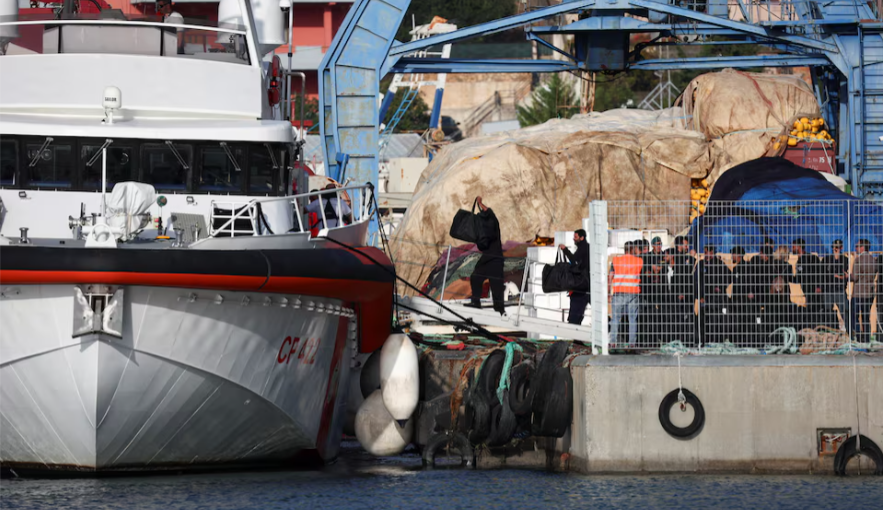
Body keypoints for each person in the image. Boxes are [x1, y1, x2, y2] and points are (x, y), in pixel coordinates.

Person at [467, 196, 506, 316]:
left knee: (496, 287)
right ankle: (475, 302)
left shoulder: (493, 222)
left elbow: (489, 211)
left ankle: (500, 310)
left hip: (495, 260)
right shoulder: (483, 231)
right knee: (475, 277)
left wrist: (480, 203)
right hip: (486, 259)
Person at [609, 241, 643, 349]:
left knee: (615, 318)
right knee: (632, 319)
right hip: (633, 293)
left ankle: (613, 343)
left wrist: (608, 293)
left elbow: (610, 276)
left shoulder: (616, 260)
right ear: (633, 249)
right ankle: (631, 344)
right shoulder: (639, 261)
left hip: (619, 292)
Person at [696, 244, 729, 343]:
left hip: (716, 298)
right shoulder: (701, 264)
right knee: (704, 319)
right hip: (705, 297)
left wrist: (721, 287)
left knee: (716, 319)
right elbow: (697, 281)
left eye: (708, 252)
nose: (707, 255)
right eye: (705, 252)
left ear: (713, 253)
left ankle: (717, 340)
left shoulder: (719, 264)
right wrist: (700, 296)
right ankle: (704, 340)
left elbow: (729, 276)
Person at [558, 229, 590, 325]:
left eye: (575, 237)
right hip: (588, 285)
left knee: (575, 314)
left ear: (582, 237)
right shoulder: (587, 248)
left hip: (581, 286)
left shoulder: (583, 249)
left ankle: (575, 335)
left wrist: (565, 250)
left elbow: (575, 262)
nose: (573, 239)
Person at [791, 238, 824, 330]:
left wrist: (819, 286)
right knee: (810, 310)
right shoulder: (799, 261)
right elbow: (798, 278)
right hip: (807, 292)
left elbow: (820, 273)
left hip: (815, 291)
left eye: (793, 246)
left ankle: (819, 329)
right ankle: (813, 329)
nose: (792, 249)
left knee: (817, 310)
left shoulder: (812, 258)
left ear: (799, 247)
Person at [850, 239, 876, 342]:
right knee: (866, 317)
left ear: (862, 248)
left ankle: (859, 336)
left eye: (857, 246)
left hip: (858, 293)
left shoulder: (858, 260)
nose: (855, 248)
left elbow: (855, 277)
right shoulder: (873, 260)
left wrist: (848, 276)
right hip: (869, 292)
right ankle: (867, 339)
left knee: (854, 315)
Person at [820, 239, 849, 330]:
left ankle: (849, 330)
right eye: (833, 247)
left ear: (841, 248)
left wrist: (837, 258)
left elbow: (842, 272)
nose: (835, 249)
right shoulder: (826, 259)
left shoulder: (844, 259)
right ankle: (829, 329)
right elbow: (823, 274)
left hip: (839, 288)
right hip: (828, 289)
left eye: (837, 247)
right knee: (827, 310)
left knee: (845, 310)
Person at [729, 246, 754, 345]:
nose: (731, 257)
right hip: (737, 299)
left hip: (744, 299)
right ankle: (739, 340)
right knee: (738, 319)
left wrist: (750, 292)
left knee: (745, 319)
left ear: (738, 255)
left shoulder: (747, 267)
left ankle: (745, 340)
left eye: (733, 255)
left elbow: (750, 281)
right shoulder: (735, 268)